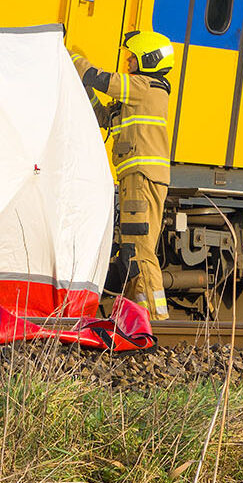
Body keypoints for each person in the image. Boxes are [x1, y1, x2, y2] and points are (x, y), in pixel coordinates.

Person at [72, 30, 176, 320]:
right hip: (136, 179)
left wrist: (74, 57)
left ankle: (155, 319)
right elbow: (104, 117)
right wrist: (85, 90)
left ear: (147, 59)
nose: (128, 62)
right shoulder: (139, 95)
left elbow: (102, 79)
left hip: (141, 178)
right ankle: (135, 315)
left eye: (132, 57)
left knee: (140, 249)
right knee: (132, 250)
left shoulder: (145, 86)